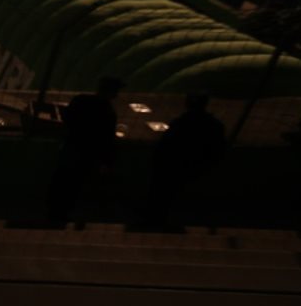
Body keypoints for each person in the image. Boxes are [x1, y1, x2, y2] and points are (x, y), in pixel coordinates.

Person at [46, 75, 124, 224]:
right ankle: (61, 215)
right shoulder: (108, 112)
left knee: (60, 181)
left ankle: (53, 213)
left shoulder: (81, 100)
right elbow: (107, 140)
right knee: (73, 186)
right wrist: (107, 162)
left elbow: (67, 118)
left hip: (71, 148)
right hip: (87, 155)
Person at [141, 92, 226, 229]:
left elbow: (165, 146)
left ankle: (159, 220)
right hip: (198, 167)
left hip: (178, 166)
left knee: (166, 195)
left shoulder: (180, 123)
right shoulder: (213, 125)